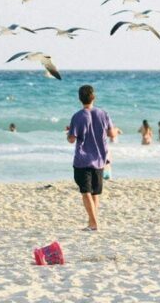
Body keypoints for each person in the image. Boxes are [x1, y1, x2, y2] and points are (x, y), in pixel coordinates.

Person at [66, 84, 117, 231]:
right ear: (93, 97)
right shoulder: (104, 114)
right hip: (100, 159)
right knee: (95, 192)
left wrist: (69, 132)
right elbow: (112, 134)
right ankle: (91, 222)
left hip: (83, 160)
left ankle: (93, 223)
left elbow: (71, 139)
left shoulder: (77, 116)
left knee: (85, 192)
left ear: (79, 99)